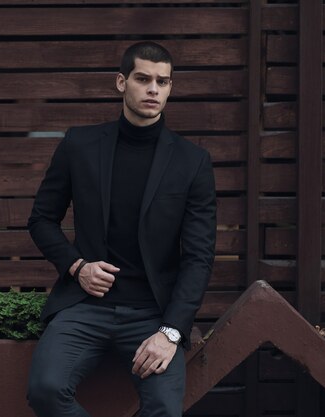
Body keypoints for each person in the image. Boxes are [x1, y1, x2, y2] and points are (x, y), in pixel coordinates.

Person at [26, 41, 217, 417]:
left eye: (162, 82)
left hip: (153, 315)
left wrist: (171, 333)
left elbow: (198, 258)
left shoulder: (192, 162)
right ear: (121, 82)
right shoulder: (79, 145)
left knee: (163, 408)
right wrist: (77, 267)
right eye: (143, 78)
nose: (152, 89)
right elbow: (41, 220)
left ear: (170, 88)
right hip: (85, 307)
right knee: (46, 389)